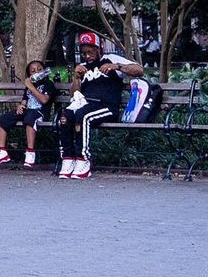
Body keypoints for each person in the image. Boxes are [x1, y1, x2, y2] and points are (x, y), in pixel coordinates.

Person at [57, 31, 144, 180]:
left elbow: (139, 70)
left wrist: (117, 66)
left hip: (106, 107)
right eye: (84, 53)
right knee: (65, 116)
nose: (87, 56)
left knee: (83, 117)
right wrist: (77, 77)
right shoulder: (83, 67)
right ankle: (68, 158)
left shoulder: (110, 59)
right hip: (85, 104)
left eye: (91, 52)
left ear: (99, 49)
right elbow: (74, 95)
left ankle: (83, 159)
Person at [0, 60, 57, 167]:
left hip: (40, 112)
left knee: (29, 119)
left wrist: (31, 87)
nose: (37, 72)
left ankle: (30, 152)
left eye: (39, 69)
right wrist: (20, 106)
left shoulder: (48, 84)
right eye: (33, 71)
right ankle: (2, 152)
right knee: (3, 120)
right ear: (29, 74)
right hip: (27, 111)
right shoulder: (29, 86)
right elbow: (24, 101)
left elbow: (44, 100)